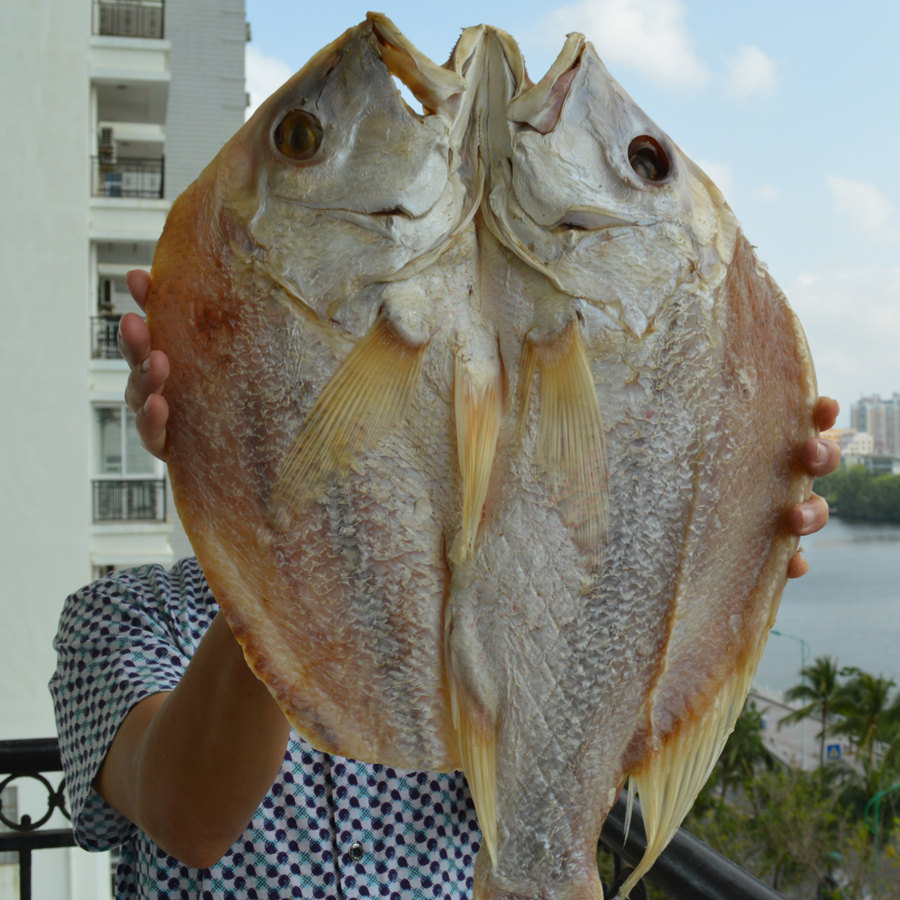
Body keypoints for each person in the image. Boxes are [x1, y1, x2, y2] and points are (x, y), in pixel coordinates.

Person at [50, 270, 841, 900]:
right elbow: (190, 816)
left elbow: (613, 733)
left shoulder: (489, 608)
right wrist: (298, 524)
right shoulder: (116, 620)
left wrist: (733, 541)